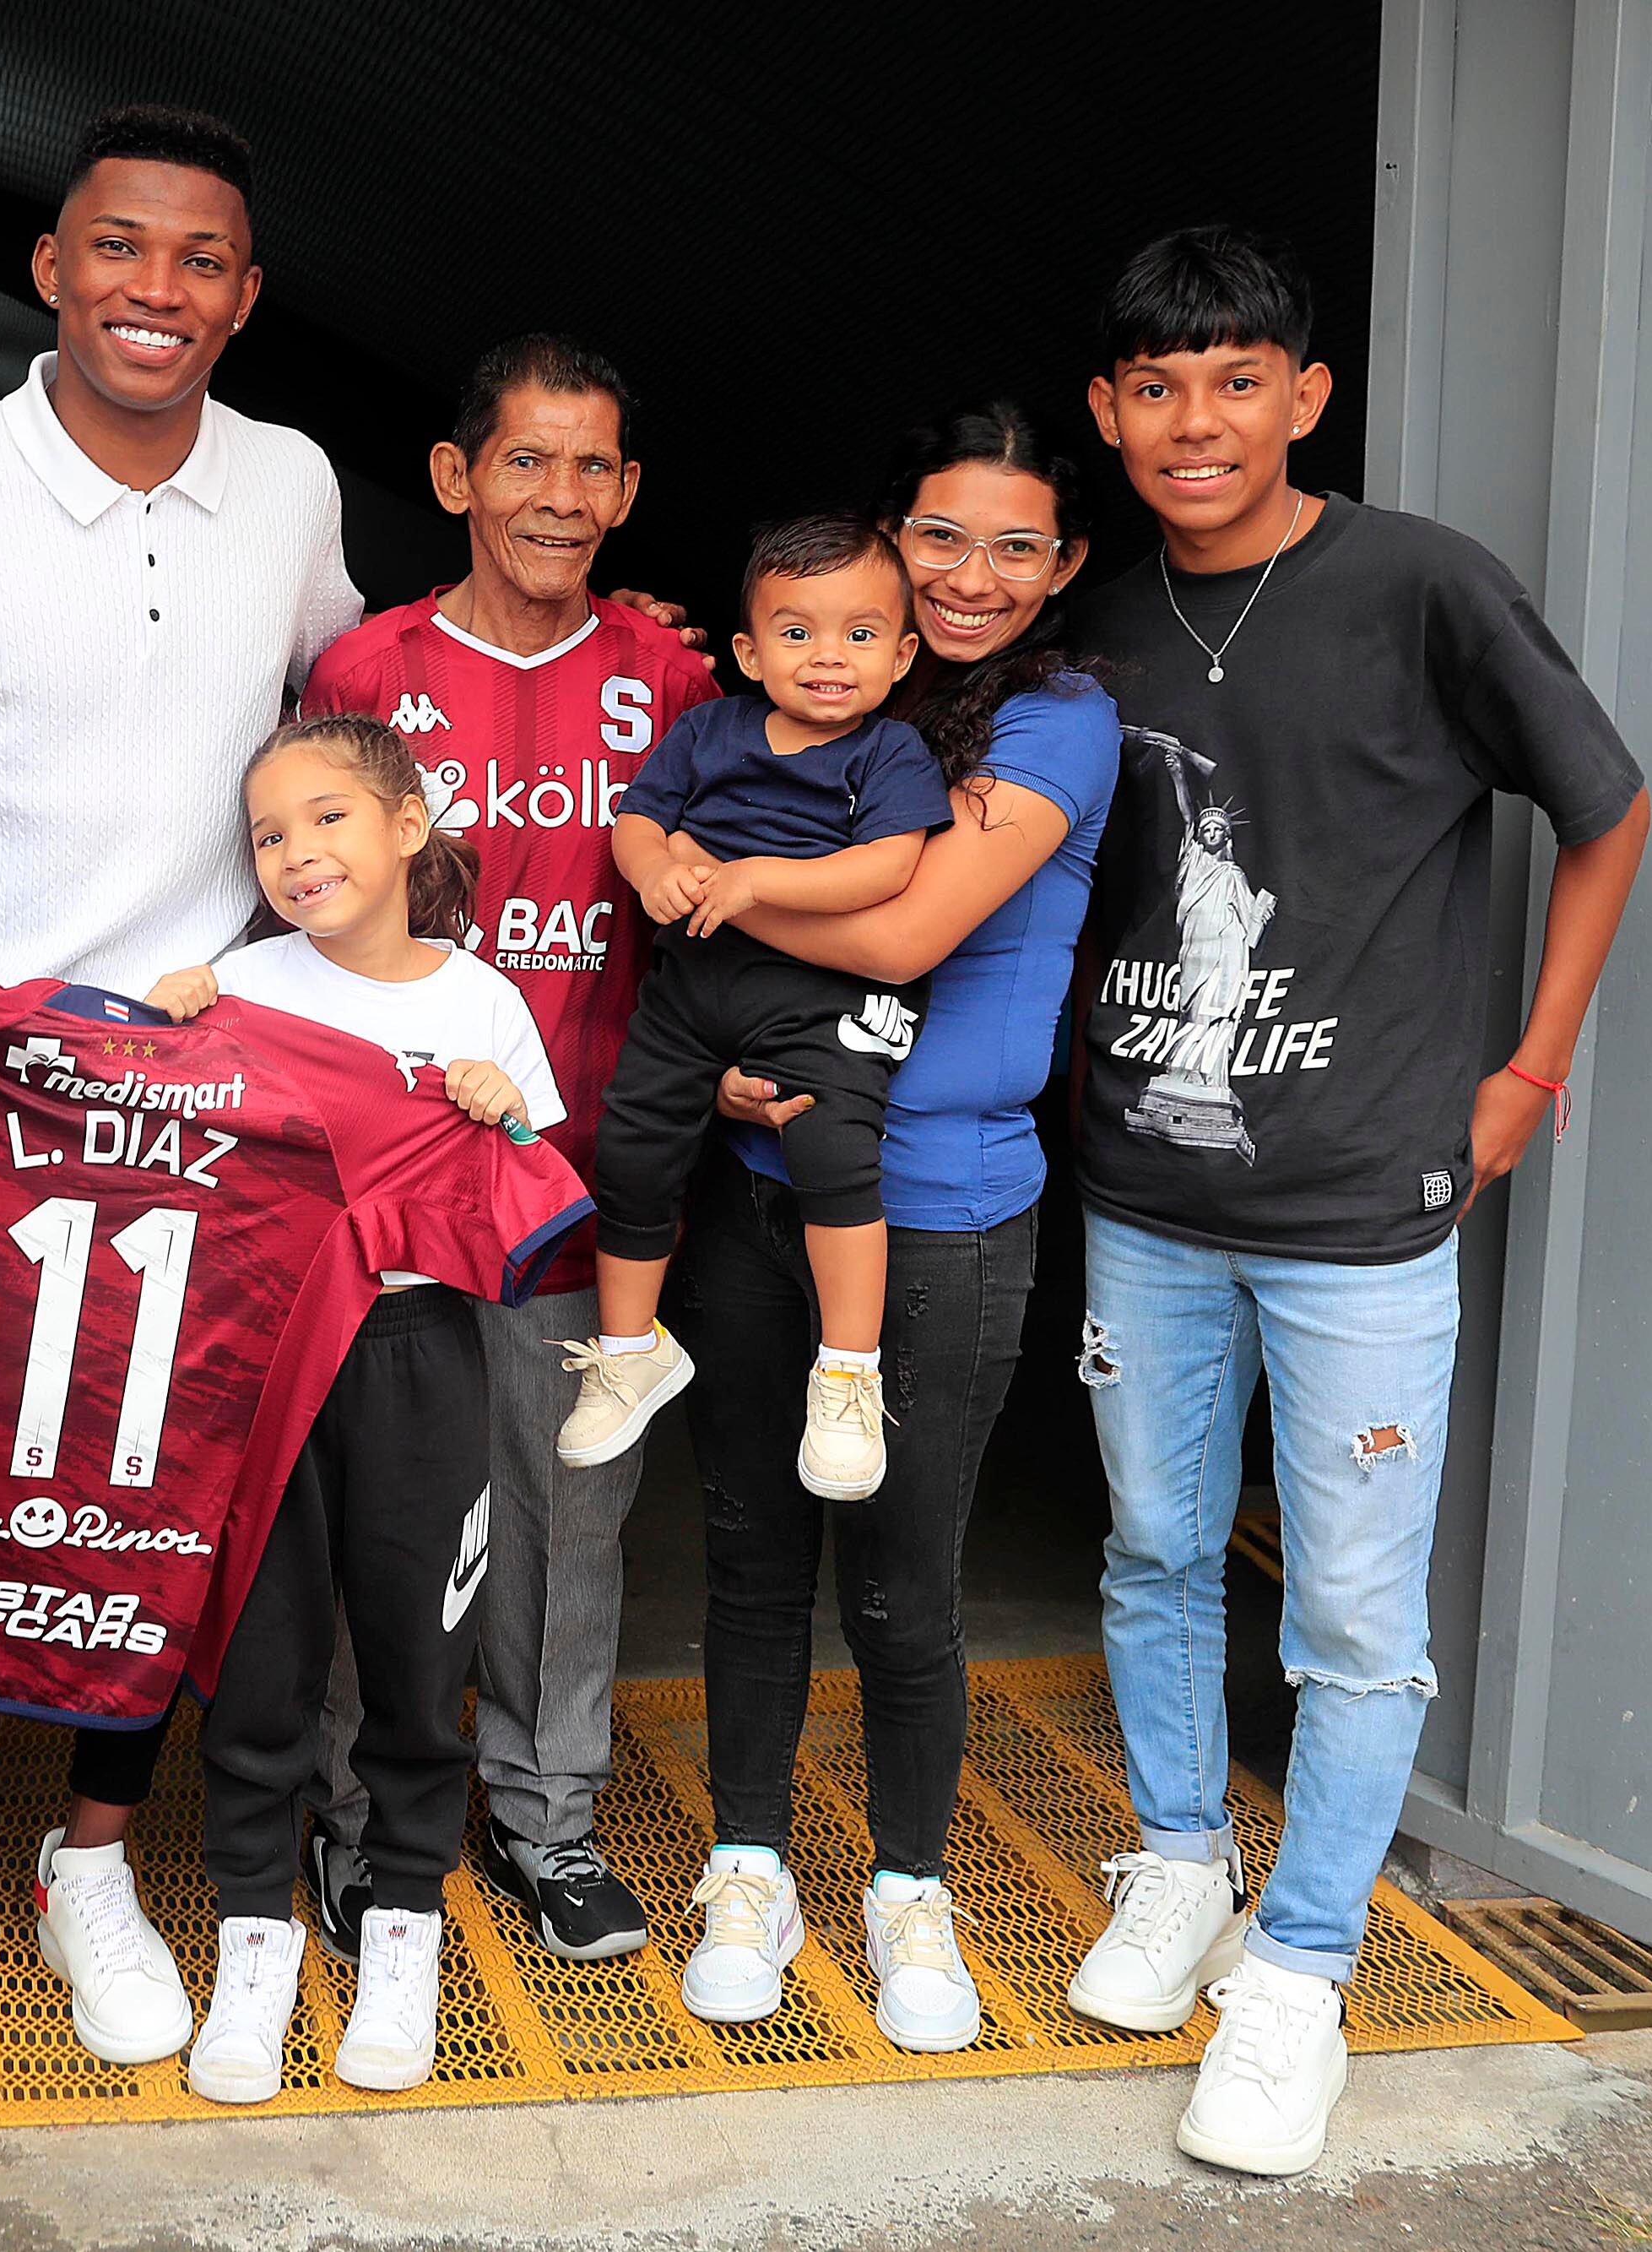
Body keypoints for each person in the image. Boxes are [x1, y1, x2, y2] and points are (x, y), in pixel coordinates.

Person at [1062, 226, 1647, 2177]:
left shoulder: (1418, 585)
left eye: (1237, 380)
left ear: (1303, 395)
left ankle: (1299, 1970)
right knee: (1151, 1547)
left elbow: (1605, 807)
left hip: (1362, 1208)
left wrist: (1526, 1071)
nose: (1196, 420)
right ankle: (1179, 1865)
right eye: (1157, 386)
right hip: (1141, 1188)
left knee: (1348, 1609)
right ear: (1106, 410)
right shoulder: (1089, 621)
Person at [0, 100, 363, 2092]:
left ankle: (87, 1865)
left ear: (244, 295)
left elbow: (343, 702)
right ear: (49, 269)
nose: (157, 289)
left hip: (188, 1095)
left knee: (149, 1483)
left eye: (200, 259)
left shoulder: (290, 481)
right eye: (118, 247)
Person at [665, 404, 1119, 2055]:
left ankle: (908, 1883)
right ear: (887, 538)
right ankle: (747, 1863)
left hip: (941, 1212)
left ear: (1063, 564)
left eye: (1014, 544)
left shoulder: (1058, 722)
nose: (969, 575)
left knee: (902, 1578)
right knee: (747, 1550)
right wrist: (719, 1056)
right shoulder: (826, 689)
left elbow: (907, 930)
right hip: (762, 1186)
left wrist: (721, 890)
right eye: (937, 535)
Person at [295, 334, 717, 1964]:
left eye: (593, 464)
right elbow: (298, 900)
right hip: (387, 1188)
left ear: (631, 491)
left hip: (581, 1186)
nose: (560, 494)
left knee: (571, 1513)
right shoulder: (364, 670)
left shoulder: (668, 678)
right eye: (526, 459)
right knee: (384, 1518)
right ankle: (360, 1819)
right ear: (456, 476)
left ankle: (550, 1821)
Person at [139, 713, 560, 2101]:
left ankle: (403, 1925)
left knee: (417, 1652)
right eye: (270, 833)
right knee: (261, 1660)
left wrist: (501, 1109)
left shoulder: (480, 1000)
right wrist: (168, 1029)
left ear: (407, 823)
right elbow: (156, 1145)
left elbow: (528, 1198)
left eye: (327, 816)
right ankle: (252, 1939)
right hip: (260, 1350)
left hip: (418, 1348)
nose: (297, 851)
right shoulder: (238, 985)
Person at [561, 516, 948, 1497]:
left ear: (903, 655)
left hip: (817, 1004)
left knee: (832, 1154)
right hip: (688, 992)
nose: (828, 656)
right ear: (747, 651)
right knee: (631, 1148)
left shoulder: (890, 752)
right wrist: (651, 871)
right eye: (797, 632)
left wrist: (754, 879)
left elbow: (887, 866)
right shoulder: (707, 731)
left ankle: (847, 1372)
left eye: (860, 634)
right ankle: (628, 1349)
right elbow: (639, 820)